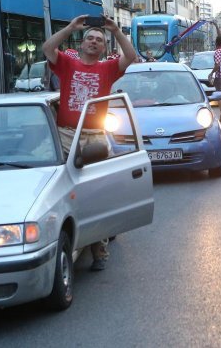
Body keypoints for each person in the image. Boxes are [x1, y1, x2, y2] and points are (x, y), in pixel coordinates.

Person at [42, 14, 137, 271]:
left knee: (95, 193)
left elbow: (131, 57)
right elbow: (47, 49)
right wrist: (70, 27)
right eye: (90, 39)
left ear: (104, 48)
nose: (94, 42)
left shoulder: (107, 68)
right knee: (66, 189)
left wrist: (116, 30)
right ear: (82, 44)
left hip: (95, 135)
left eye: (99, 40)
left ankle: (98, 246)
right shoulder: (67, 64)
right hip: (66, 135)